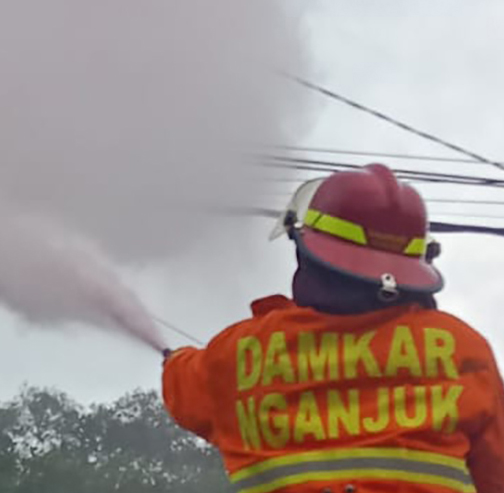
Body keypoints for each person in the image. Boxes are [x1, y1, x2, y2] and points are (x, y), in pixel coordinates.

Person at [161, 163, 504, 493]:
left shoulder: (237, 356)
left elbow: (186, 385)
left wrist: (174, 361)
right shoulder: (462, 350)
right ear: (418, 263)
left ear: (307, 254)